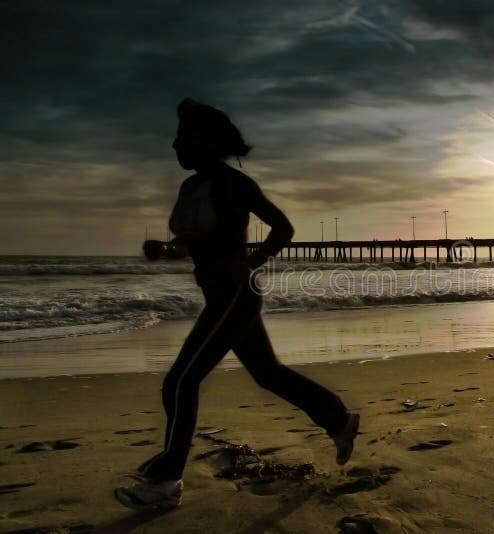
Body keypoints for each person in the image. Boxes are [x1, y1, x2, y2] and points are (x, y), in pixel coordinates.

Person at [115, 99, 359, 511]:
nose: (175, 145)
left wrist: (251, 262)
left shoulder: (235, 184)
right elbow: (196, 241)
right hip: (222, 296)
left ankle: (166, 479)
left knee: (180, 382)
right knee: (268, 374)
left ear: (205, 143)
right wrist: (167, 248)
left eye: (182, 138)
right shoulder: (191, 186)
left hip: (233, 294)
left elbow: (283, 228)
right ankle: (338, 419)